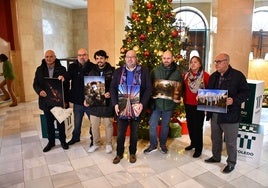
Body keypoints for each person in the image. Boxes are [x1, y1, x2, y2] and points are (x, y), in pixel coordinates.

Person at [204, 53, 250, 173]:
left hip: (231, 114)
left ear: (227, 62)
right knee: (215, 138)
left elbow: (246, 93)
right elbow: (209, 93)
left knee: (230, 142)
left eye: (219, 61)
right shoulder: (213, 76)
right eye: (215, 61)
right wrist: (204, 100)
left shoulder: (238, 76)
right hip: (215, 113)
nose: (216, 64)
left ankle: (231, 163)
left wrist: (234, 100)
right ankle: (216, 156)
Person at [110, 50, 152, 164]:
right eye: (128, 57)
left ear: (136, 58)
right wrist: (115, 104)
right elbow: (113, 88)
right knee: (120, 133)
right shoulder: (119, 72)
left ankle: (132, 153)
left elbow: (148, 89)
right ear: (125, 58)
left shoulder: (144, 71)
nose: (130, 59)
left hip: (137, 107)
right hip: (121, 106)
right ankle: (119, 154)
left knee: (134, 133)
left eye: (132, 57)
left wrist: (142, 104)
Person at [144, 50, 182, 155]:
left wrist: (177, 98)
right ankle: (153, 145)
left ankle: (163, 145)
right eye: (164, 58)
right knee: (152, 124)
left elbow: (179, 88)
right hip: (156, 104)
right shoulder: (155, 71)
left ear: (172, 58)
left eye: (168, 58)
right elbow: (149, 86)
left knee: (165, 126)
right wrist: (152, 95)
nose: (166, 60)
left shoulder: (177, 72)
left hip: (169, 105)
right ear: (162, 59)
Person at [33, 50, 69, 152]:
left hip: (58, 101)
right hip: (46, 101)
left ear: (55, 57)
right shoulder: (39, 70)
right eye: (47, 57)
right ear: (44, 57)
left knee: (60, 122)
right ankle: (51, 142)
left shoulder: (62, 69)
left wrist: (64, 79)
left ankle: (63, 141)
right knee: (49, 123)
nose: (49, 59)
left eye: (51, 56)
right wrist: (39, 91)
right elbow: (35, 84)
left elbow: (66, 84)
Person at [85, 50, 115, 154]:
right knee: (94, 125)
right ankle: (96, 144)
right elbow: (89, 89)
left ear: (106, 59)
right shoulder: (92, 72)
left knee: (108, 125)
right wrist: (87, 99)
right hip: (95, 104)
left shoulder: (113, 71)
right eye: (97, 58)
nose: (99, 60)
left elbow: (115, 86)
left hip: (108, 103)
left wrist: (109, 93)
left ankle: (108, 144)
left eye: (101, 58)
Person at [65, 48, 94, 146]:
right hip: (77, 101)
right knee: (77, 123)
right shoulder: (72, 67)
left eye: (84, 55)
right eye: (79, 55)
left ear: (87, 55)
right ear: (77, 57)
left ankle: (93, 138)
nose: (82, 57)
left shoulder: (93, 67)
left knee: (93, 122)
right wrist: (62, 77)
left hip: (90, 101)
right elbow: (67, 77)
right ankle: (75, 137)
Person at [182, 56, 210, 158]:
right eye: (191, 62)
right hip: (188, 104)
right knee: (190, 125)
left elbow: (210, 91)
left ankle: (199, 148)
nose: (193, 64)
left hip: (199, 106)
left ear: (200, 64)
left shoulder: (205, 76)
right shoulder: (186, 76)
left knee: (198, 127)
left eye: (195, 62)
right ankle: (193, 143)